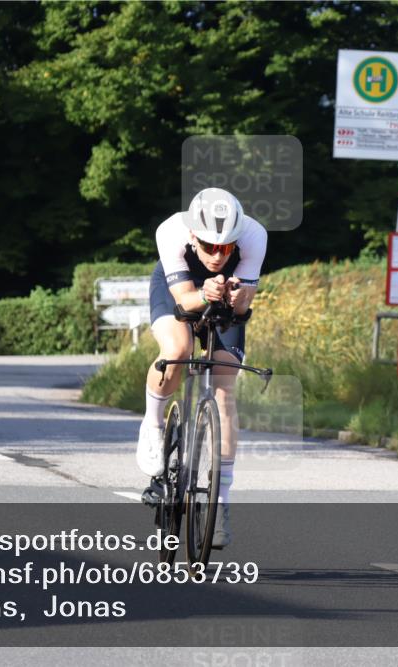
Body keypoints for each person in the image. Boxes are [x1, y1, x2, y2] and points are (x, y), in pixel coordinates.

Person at [136, 187, 267, 549]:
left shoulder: (254, 236)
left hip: (223, 295)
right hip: (178, 288)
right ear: (194, 236)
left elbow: (243, 308)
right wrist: (205, 293)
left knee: (225, 383)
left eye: (226, 248)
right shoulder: (172, 231)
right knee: (178, 349)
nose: (218, 254)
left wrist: (237, 298)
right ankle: (152, 422)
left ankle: (220, 501)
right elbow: (184, 302)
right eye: (210, 246)